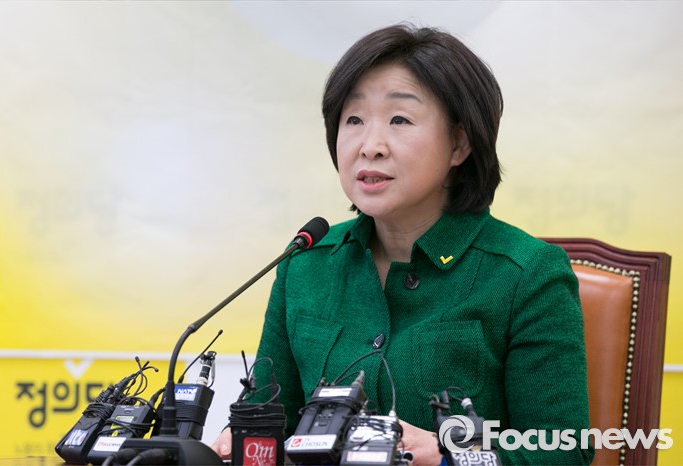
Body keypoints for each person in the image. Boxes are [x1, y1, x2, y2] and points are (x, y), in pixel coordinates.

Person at [213, 23, 594, 465]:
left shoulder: (527, 275)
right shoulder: (305, 264)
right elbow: (267, 422)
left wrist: (450, 454)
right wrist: (240, 441)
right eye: (354, 120)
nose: (370, 146)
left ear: (459, 143)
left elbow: (563, 449)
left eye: (399, 120)